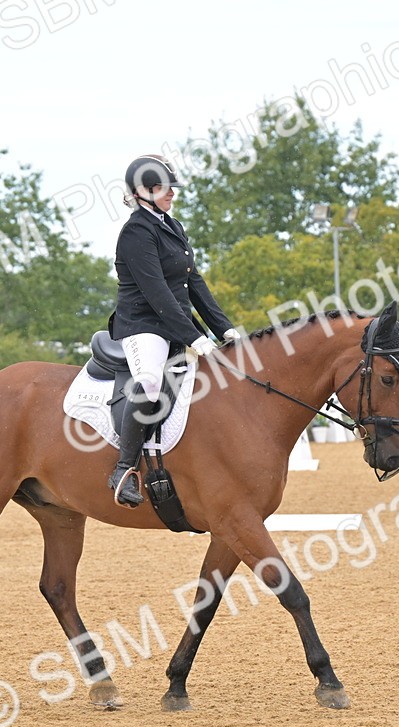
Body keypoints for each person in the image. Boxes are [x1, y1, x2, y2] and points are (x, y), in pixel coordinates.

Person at [105, 154, 240, 508]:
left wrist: (225, 331)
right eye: (165, 189)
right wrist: (195, 338)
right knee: (150, 382)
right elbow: (157, 292)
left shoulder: (172, 225)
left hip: (175, 326)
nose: (172, 195)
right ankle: (123, 469)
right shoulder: (136, 232)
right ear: (144, 191)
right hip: (144, 326)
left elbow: (194, 282)